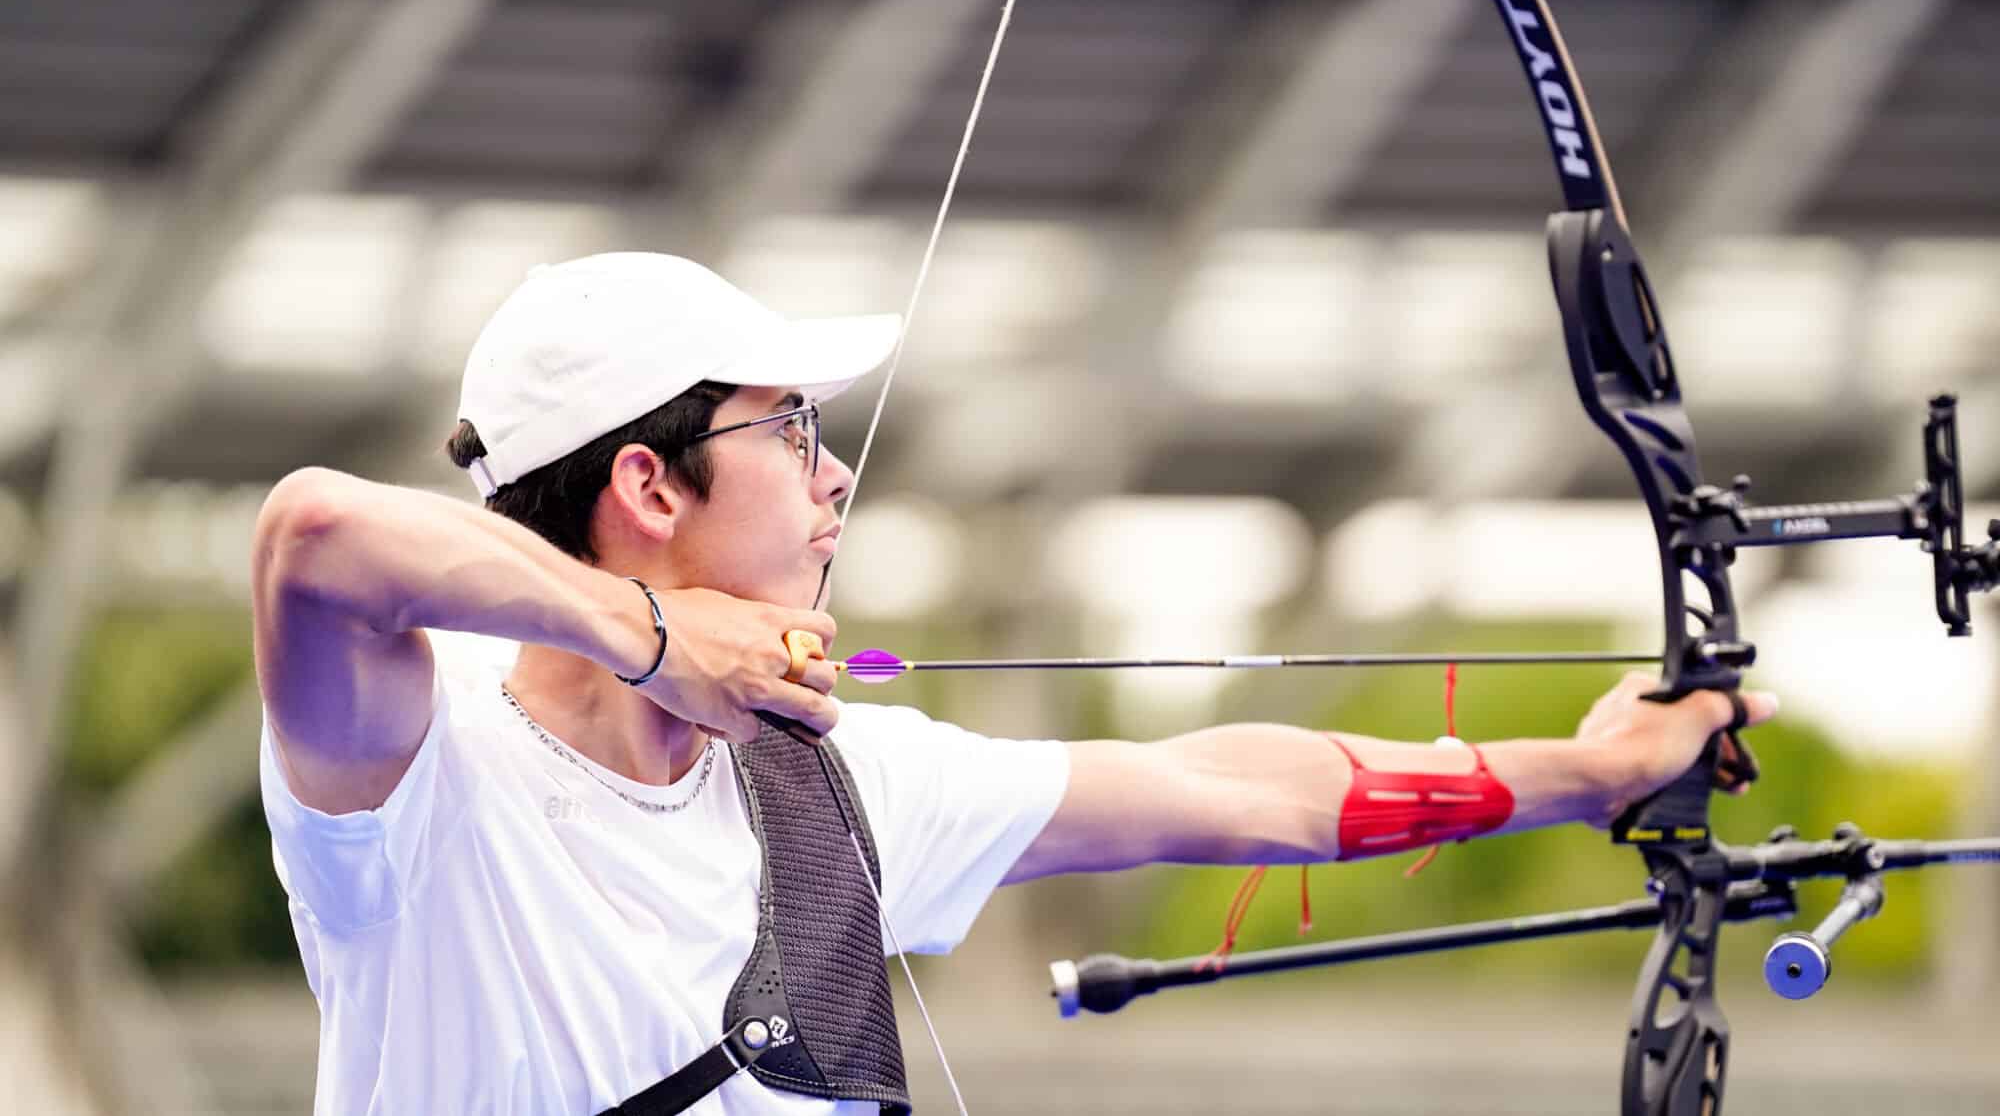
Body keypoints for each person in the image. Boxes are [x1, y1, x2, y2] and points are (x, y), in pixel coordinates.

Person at [252, 251, 1775, 1116]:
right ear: (646, 482)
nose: (835, 477)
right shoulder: (420, 771)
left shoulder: (834, 783)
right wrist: (654, 639)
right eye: (790, 433)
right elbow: (315, 535)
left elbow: (1241, 790)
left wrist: (1589, 773)